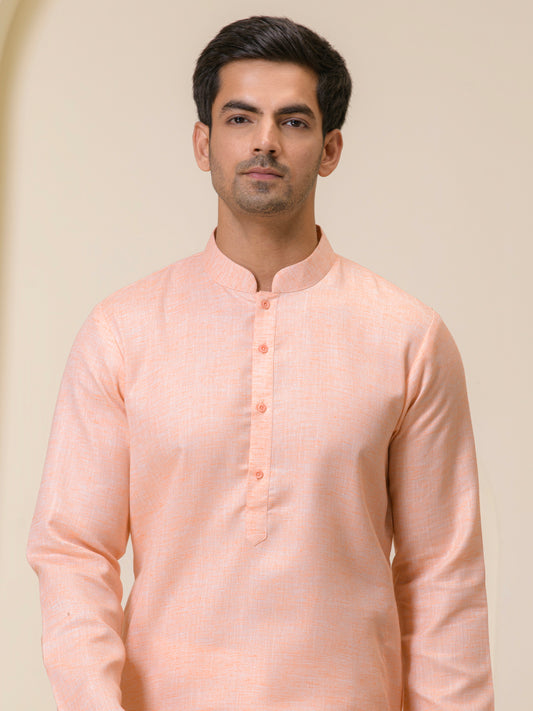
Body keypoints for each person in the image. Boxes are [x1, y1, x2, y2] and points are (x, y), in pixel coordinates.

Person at [27, 15, 495, 711]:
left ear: (330, 149)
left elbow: (442, 577)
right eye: (240, 117)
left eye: (294, 121)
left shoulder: (408, 337)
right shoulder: (122, 332)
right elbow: (73, 551)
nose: (265, 141)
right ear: (203, 143)